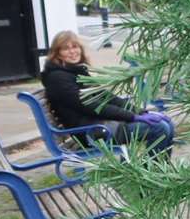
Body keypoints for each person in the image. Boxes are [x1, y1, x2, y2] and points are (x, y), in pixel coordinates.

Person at [41, 30, 175, 156]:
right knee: (159, 128)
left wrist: (142, 112)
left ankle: (155, 171)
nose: (72, 51)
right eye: (66, 48)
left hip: (102, 125)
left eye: (75, 47)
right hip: (94, 133)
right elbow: (91, 105)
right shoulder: (58, 79)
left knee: (167, 124)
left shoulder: (74, 72)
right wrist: (132, 117)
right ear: (57, 53)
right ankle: (152, 172)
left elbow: (106, 97)